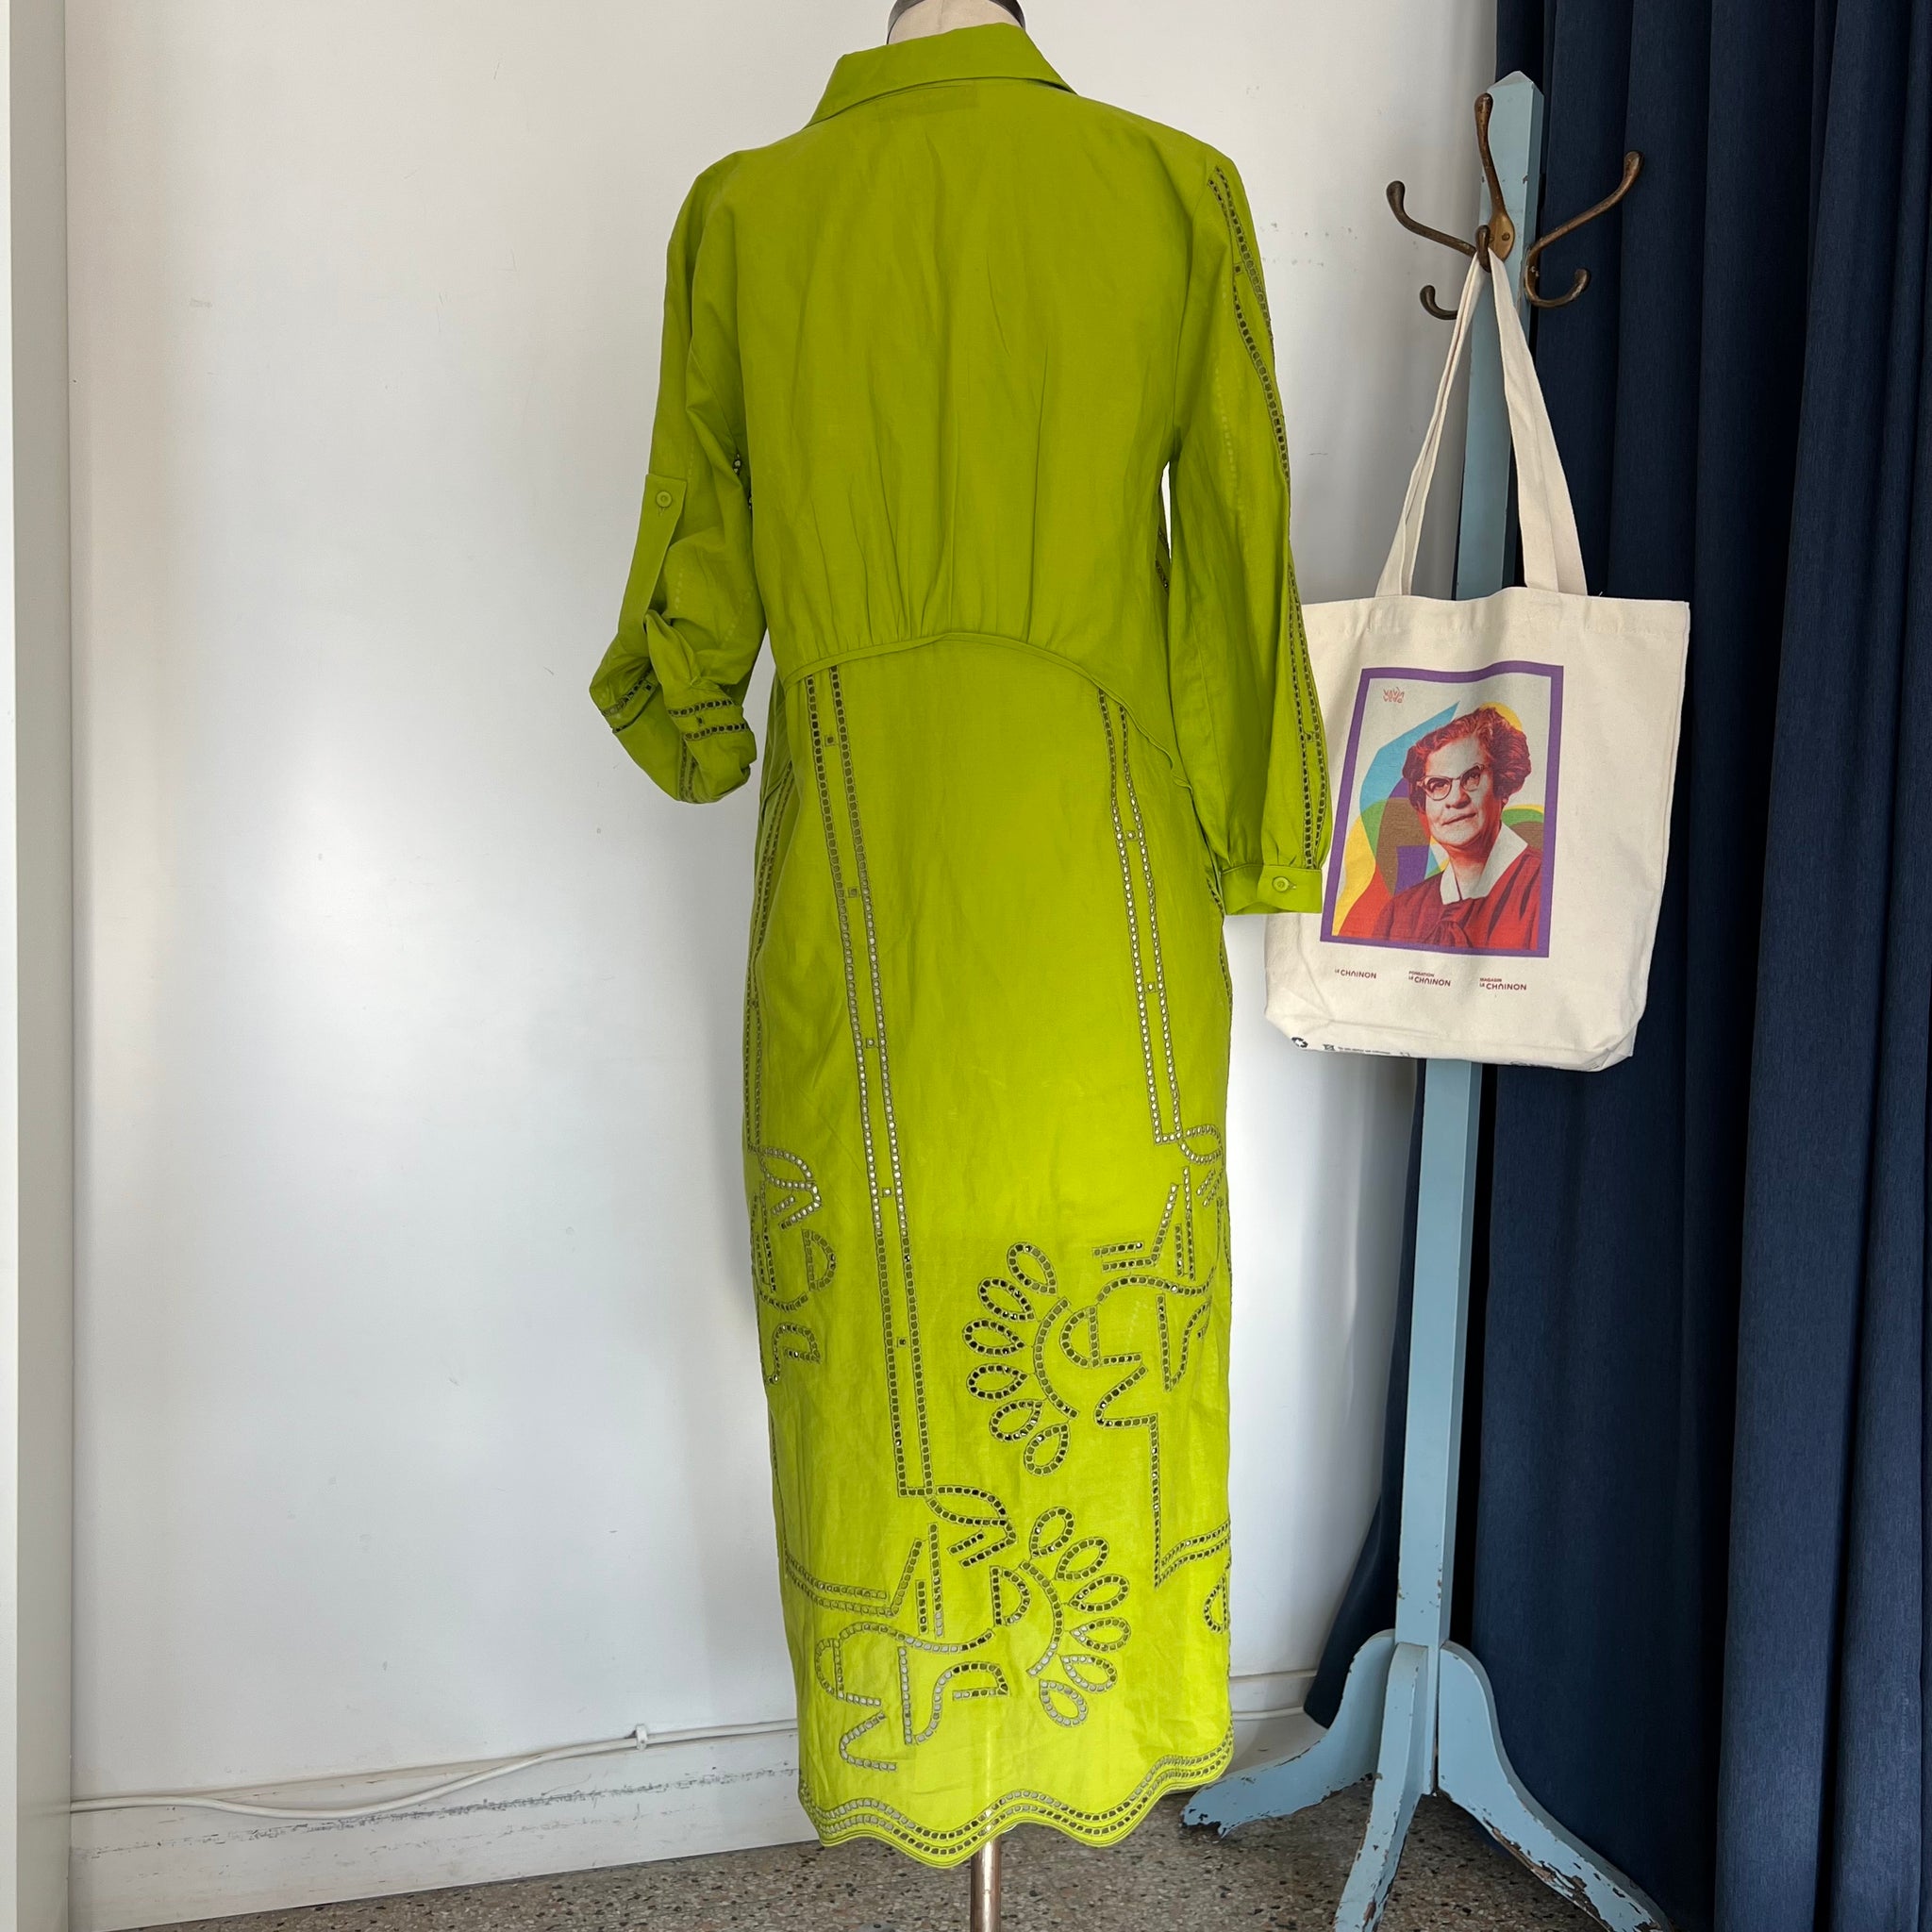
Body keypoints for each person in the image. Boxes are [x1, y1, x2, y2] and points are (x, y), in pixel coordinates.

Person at [586, 8, 1329, 1877]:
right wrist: (1262, 823)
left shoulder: (749, 213)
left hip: (859, 882)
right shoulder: (1170, 192)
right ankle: (1084, 1711)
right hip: (1105, 892)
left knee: (879, 1351)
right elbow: (1235, 551)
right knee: (1102, 1322)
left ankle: (924, 1726)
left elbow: (693, 563)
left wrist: (695, 710)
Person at [1371, 706, 1543, 951]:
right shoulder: (1398, 915)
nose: (1455, 798)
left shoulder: (1547, 887)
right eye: (1437, 784)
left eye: (1472, 776)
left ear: (1502, 784)